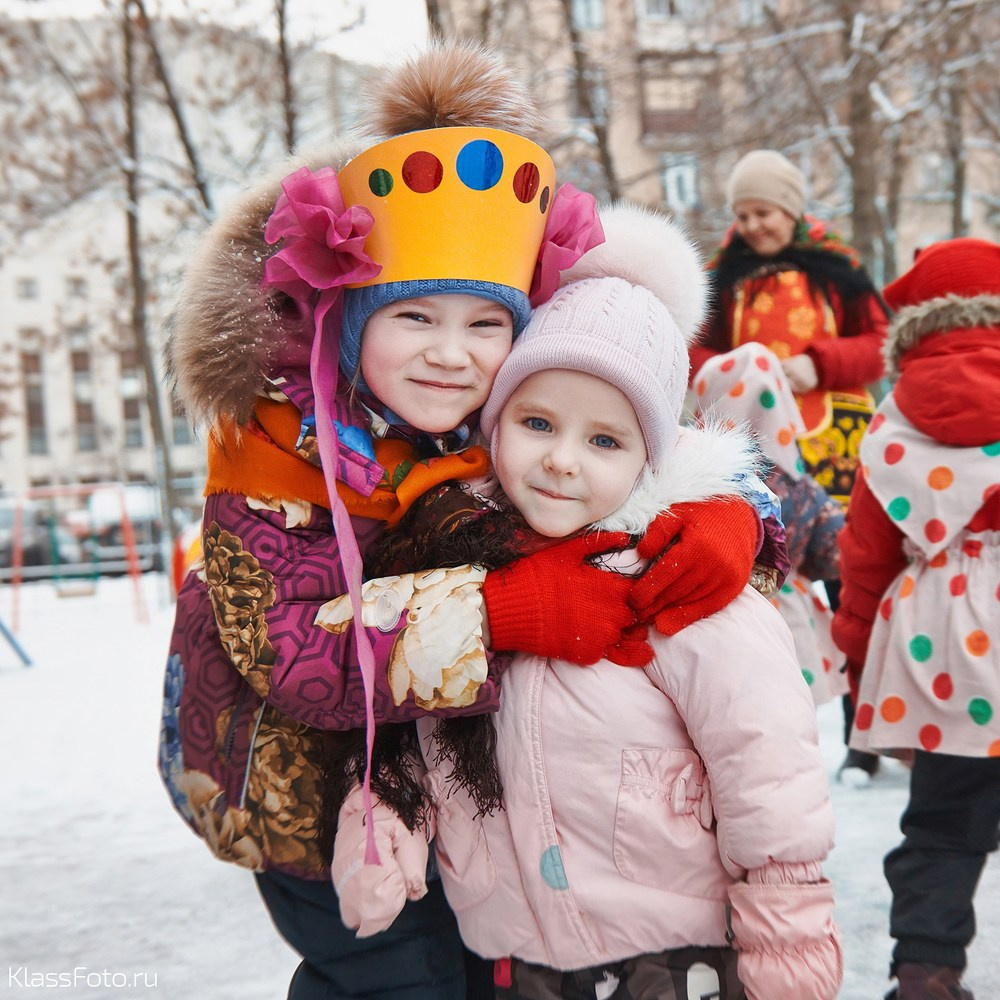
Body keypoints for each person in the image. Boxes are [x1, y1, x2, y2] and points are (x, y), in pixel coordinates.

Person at [157, 44, 761, 1000]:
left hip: (452, 791)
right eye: (414, 319)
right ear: (350, 323)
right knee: (400, 977)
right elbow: (295, 658)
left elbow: (631, 446)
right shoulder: (274, 446)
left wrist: (729, 516)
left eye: (486, 324)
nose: (450, 355)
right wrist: (506, 612)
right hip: (304, 792)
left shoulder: (501, 419)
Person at [328, 204, 842, 1000]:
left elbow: (767, 775)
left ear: (647, 457)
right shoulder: (455, 563)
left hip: (674, 965)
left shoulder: (681, 579)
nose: (563, 461)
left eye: (605, 440)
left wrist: (790, 952)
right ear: (494, 430)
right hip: (513, 965)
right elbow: (416, 731)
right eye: (537, 422)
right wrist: (381, 822)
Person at [831, 237, 1000, 1000]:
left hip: (939, 642)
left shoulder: (894, 420)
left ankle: (926, 972)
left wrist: (861, 662)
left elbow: (865, 556)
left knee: (941, 821)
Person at [694, 147, 890, 780]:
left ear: (792, 208)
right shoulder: (724, 274)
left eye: (765, 212)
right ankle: (780, 731)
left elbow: (880, 344)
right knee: (778, 580)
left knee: (848, 582)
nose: (753, 227)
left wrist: (820, 362)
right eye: (743, 214)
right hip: (762, 447)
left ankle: (862, 734)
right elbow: (700, 354)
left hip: (832, 442)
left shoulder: (838, 267)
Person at [692, 341, 849, 710]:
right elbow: (832, 551)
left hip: (709, 622)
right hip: (785, 621)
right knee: (787, 719)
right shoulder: (796, 483)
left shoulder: (690, 478)